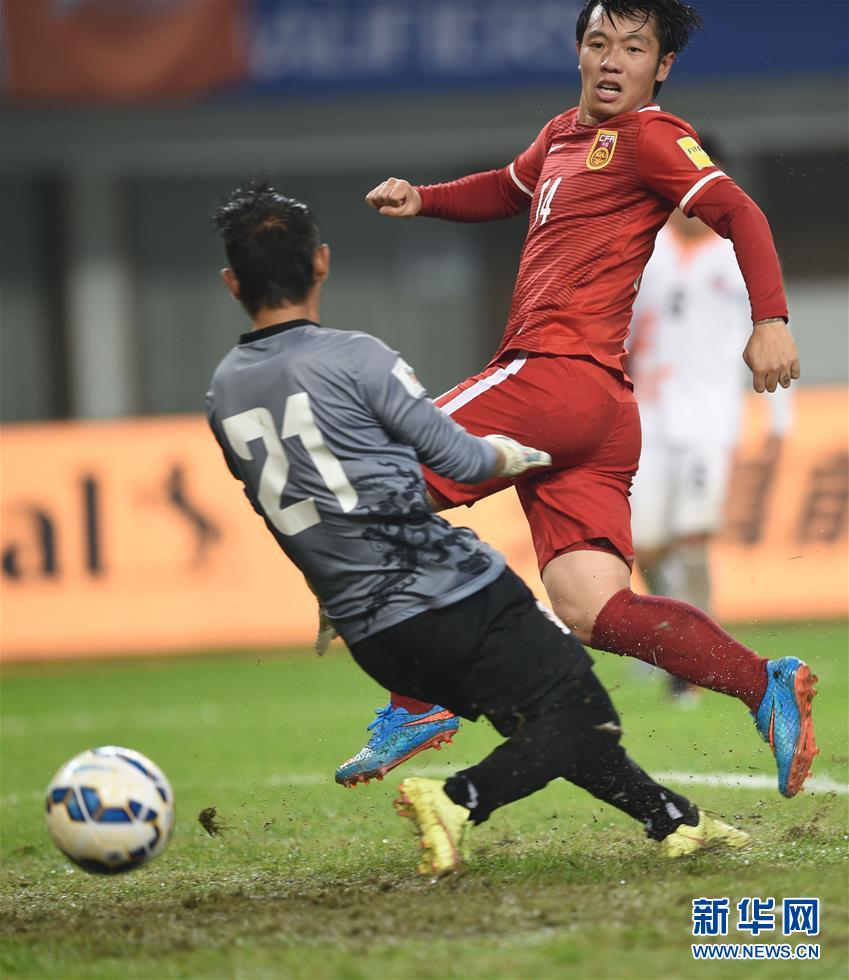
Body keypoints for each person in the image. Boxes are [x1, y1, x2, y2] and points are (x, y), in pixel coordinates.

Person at [336, 0, 818, 798]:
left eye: (633, 47)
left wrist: (770, 318)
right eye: (598, 42)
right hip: (600, 410)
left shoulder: (654, 137)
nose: (611, 59)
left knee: (378, 484)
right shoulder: (564, 133)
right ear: (578, 51)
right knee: (591, 607)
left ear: (660, 67)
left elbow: (738, 211)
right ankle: (760, 680)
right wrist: (425, 198)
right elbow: (505, 187)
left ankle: (416, 701)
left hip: (553, 375)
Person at [205, 181, 751, 877]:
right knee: (581, 716)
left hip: (369, 632)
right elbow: (459, 456)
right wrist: (521, 453)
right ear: (321, 263)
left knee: (538, 716)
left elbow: (279, 504)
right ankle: (457, 799)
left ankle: (673, 820)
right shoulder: (357, 358)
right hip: (452, 593)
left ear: (231, 283)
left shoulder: (222, 390)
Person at [627, 137, 792, 701]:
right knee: (643, 546)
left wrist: (778, 413)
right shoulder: (646, 249)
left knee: (693, 539)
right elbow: (621, 331)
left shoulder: (740, 251)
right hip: (648, 414)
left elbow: (770, 332)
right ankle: (665, 641)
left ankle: (693, 667)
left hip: (710, 416)